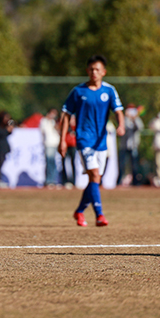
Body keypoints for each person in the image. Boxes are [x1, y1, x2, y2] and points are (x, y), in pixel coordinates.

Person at [59, 55, 125, 227]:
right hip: (84, 139)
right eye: (91, 69)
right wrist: (62, 140)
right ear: (87, 71)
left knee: (95, 179)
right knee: (95, 175)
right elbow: (66, 115)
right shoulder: (78, 91)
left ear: (104, 72)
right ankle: (99, 215)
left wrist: (121, 125)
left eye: (97, 69)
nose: (94, 72)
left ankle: (80, 211)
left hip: (101, 141)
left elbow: (118, 111)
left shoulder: (109, 90)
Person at [119, 103, 144, 185]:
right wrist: (127, 117)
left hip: (133, 145)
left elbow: (140, 127)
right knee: (122, 164)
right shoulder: (124, 119)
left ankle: (135, 181)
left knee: (134, 165)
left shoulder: (136, 118)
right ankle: (120, 180)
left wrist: (135, 118)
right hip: (124, 146)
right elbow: (125, 127)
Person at [39, 107, 61, 188]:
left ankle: (53, 180)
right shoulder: (44, 121)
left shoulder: (54, 122)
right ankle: (49, 180)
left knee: (53, 162)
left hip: (55, 143)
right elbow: (43, 131)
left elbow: (58, 130)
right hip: (48, 143)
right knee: (49, 162)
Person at [0, 111, 14, 189]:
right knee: (0, 162)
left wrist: (10, 127)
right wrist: (7, 130)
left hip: (4, 147)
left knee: (1, 162)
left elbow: (8, 132)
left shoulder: (4, 126)